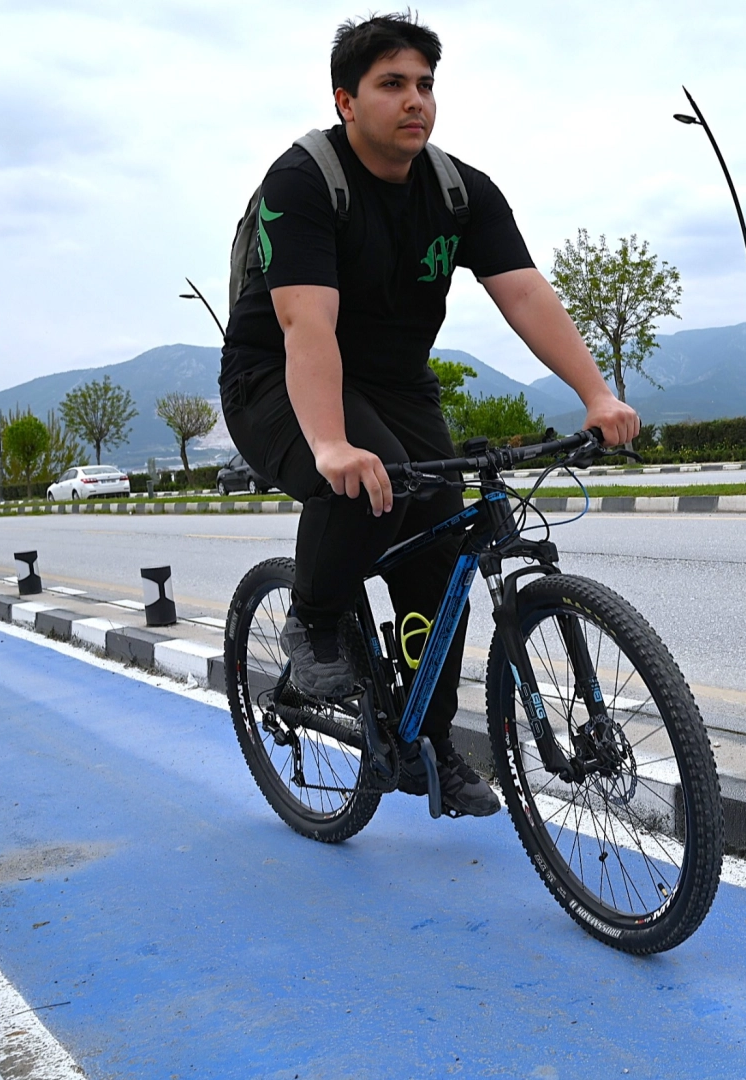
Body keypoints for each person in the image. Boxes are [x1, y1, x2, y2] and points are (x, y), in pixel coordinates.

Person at [218, 12, 638, 817]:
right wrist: (333, 443)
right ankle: (314, 620)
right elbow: (308, 326)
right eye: (392, 85)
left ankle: (432, 741)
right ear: (346, 100)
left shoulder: (458, 191)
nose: (416, 101)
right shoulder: (304, 181)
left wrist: (597, 394)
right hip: (277, 378)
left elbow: (523, 292)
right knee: (365, 478)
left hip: (398, 385)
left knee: (443, 550)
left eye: (425, 85)